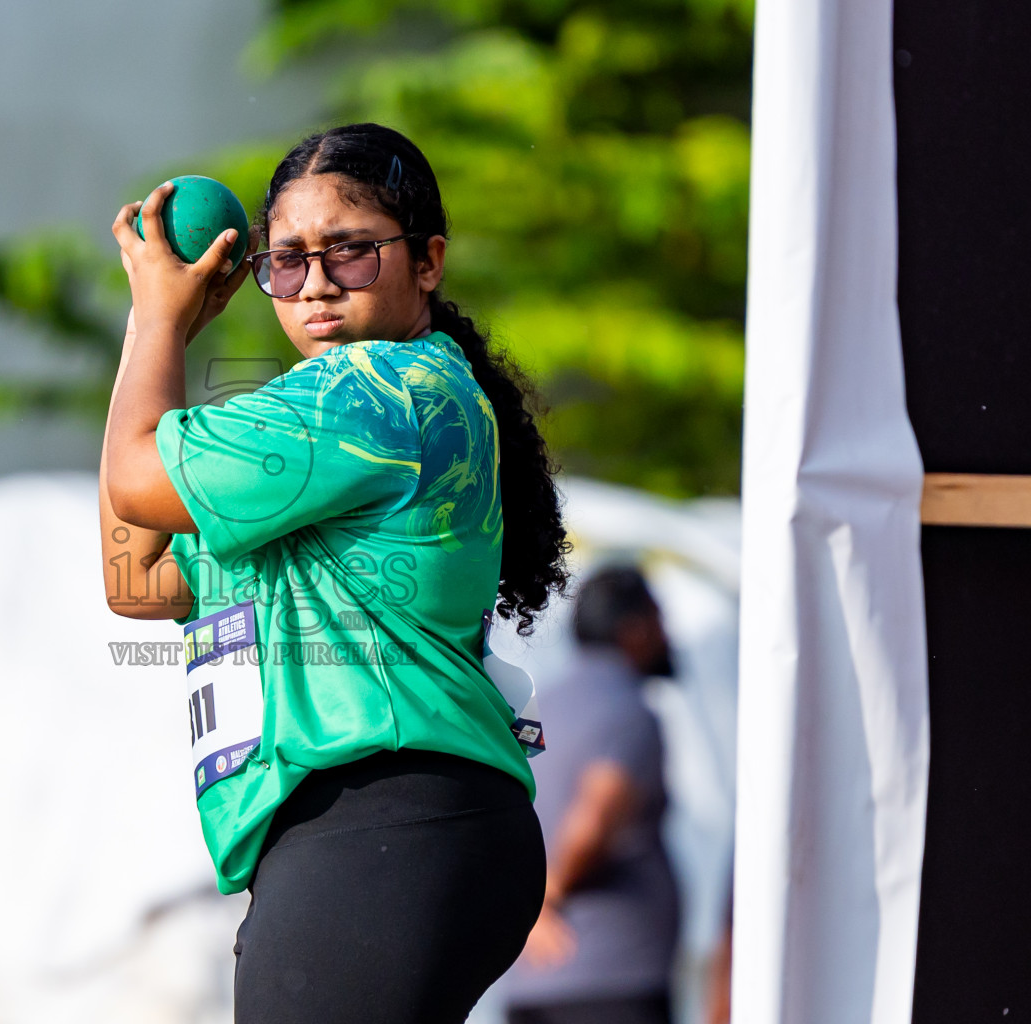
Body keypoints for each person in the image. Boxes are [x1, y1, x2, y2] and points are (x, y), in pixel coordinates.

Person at [99, 122, 569, 1024]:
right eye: (286, 261)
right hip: (383, 838)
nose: (314, 282)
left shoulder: (373, 394)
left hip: (382, 823)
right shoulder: (321, 448)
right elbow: (139, 577)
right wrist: (146, 332)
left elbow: (134, 476)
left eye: (348, 252)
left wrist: (159, 318)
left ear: (427, 261)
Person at [504, 565, 681, 1024]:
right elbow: (598, 817)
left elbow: (504, 800)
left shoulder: (537, 705)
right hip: (611, 978)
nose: (667, 635)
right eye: (660, 619)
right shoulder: (629, 710)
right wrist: (545, 900)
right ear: (635, 628)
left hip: (530, 979)